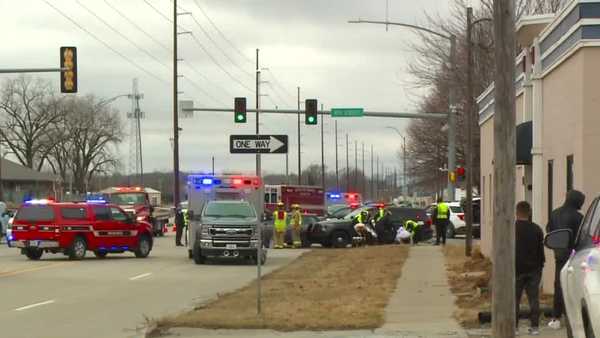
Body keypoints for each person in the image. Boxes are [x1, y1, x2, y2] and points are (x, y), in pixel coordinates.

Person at [546, 189, 585, 330]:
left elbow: (549, 230)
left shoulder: (554, 214)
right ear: (577, 201)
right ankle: (573, 316)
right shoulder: (579, 217)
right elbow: (582, 236)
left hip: (559, 255)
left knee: (559, 285)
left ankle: (556, 317)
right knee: (575, 286)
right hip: (574, 256)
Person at [515, 201, 545, 336]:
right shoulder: (537, 229)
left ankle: (514, 326)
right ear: (529, 212)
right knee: (534, 299)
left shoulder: (512, 228)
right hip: (534, 269)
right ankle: (534, 327)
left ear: (516, 212)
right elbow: (540, 251)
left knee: (514, 299)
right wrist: (540, 266)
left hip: (516, 269)